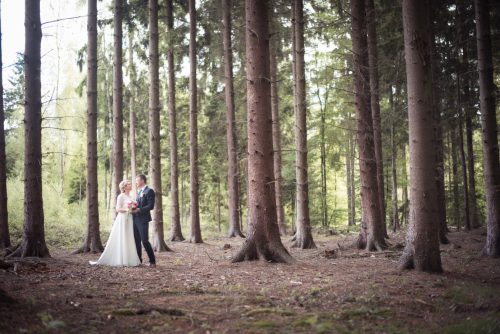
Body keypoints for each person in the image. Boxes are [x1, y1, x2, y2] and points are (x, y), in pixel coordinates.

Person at [90, 180, 141, 267]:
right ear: (124, 187)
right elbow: (117, 209)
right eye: (129, 184)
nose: (130, 185)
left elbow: (133, 208)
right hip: (122, 219)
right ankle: (121, 259)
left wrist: (133, 209)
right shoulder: (121, 196)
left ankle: (129, 260)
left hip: (130, 218)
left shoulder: (131, 196)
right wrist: (127, 209)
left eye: (130, 184)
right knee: (122, 237)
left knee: (129, 237)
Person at [133, 174, 156, 267]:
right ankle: (139, 260)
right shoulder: (139, 192)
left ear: (142, 180)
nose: (136, 182)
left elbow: (151, 206)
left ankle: (152, 261)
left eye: (137, 180)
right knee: (136, 240)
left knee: (144, 240)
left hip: (143, 220)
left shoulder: (149, 191)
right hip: (135, 219)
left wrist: (139, 209)